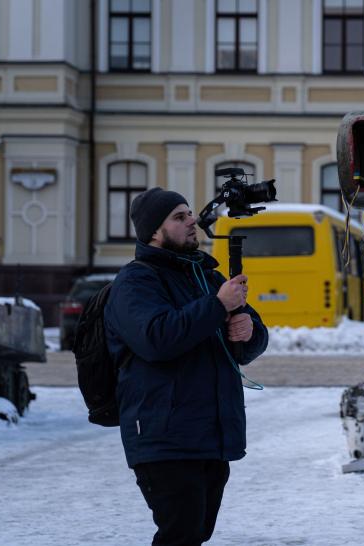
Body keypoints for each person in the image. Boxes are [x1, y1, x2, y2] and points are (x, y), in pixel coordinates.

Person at [105, 187, 268, 545]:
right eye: (179, 217)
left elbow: (247, 342)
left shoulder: (206, 277)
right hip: (164, 436)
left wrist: (249, 332)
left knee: (195, 533)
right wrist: (216, 306)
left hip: (209, 437)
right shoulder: (136, 280)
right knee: (180, 534)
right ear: (153, 232)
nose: (192, 221)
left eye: (189, 213)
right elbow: (156, 338)